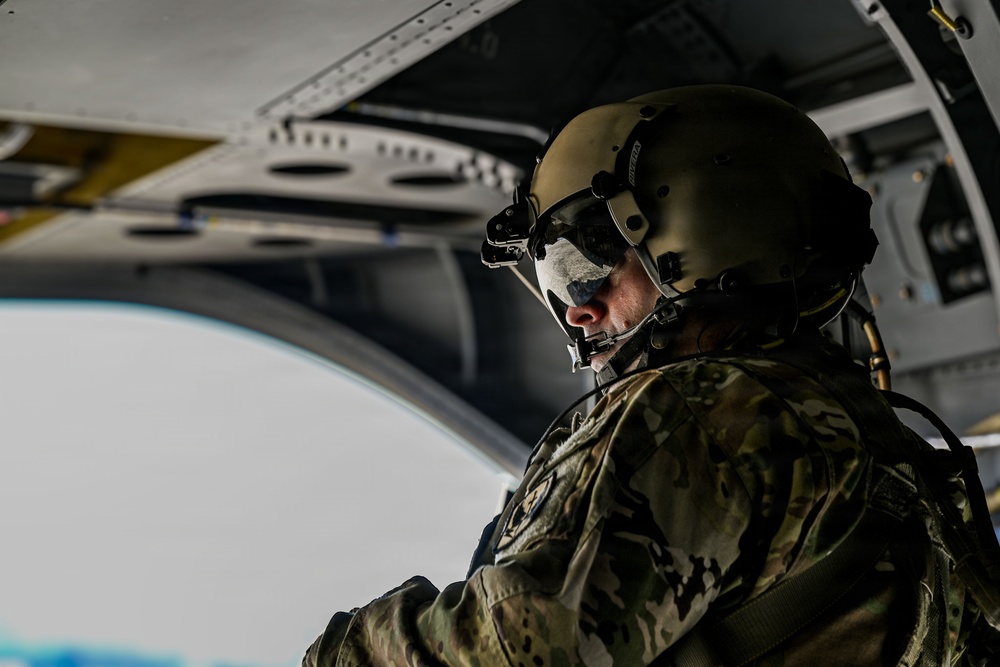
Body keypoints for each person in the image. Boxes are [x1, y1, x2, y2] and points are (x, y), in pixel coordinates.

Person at [303, 85, 1000, 666]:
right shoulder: (871, 443)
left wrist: (345, 651)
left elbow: (521, 647)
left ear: (702, 230)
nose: (576, 310)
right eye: (557, 279)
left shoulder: (697, 413)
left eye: (584, 263)